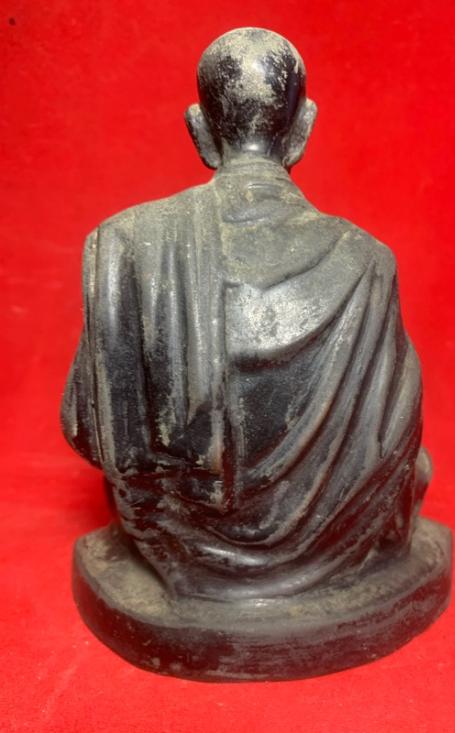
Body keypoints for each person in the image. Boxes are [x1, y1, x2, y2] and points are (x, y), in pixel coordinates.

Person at [62, 27, 431, 600]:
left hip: (178, 547)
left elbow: (85, 428)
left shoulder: (127, 245)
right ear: (303, 130)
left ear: (200, 131)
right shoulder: (367, 262)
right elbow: (395, 447)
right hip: (330, 548)